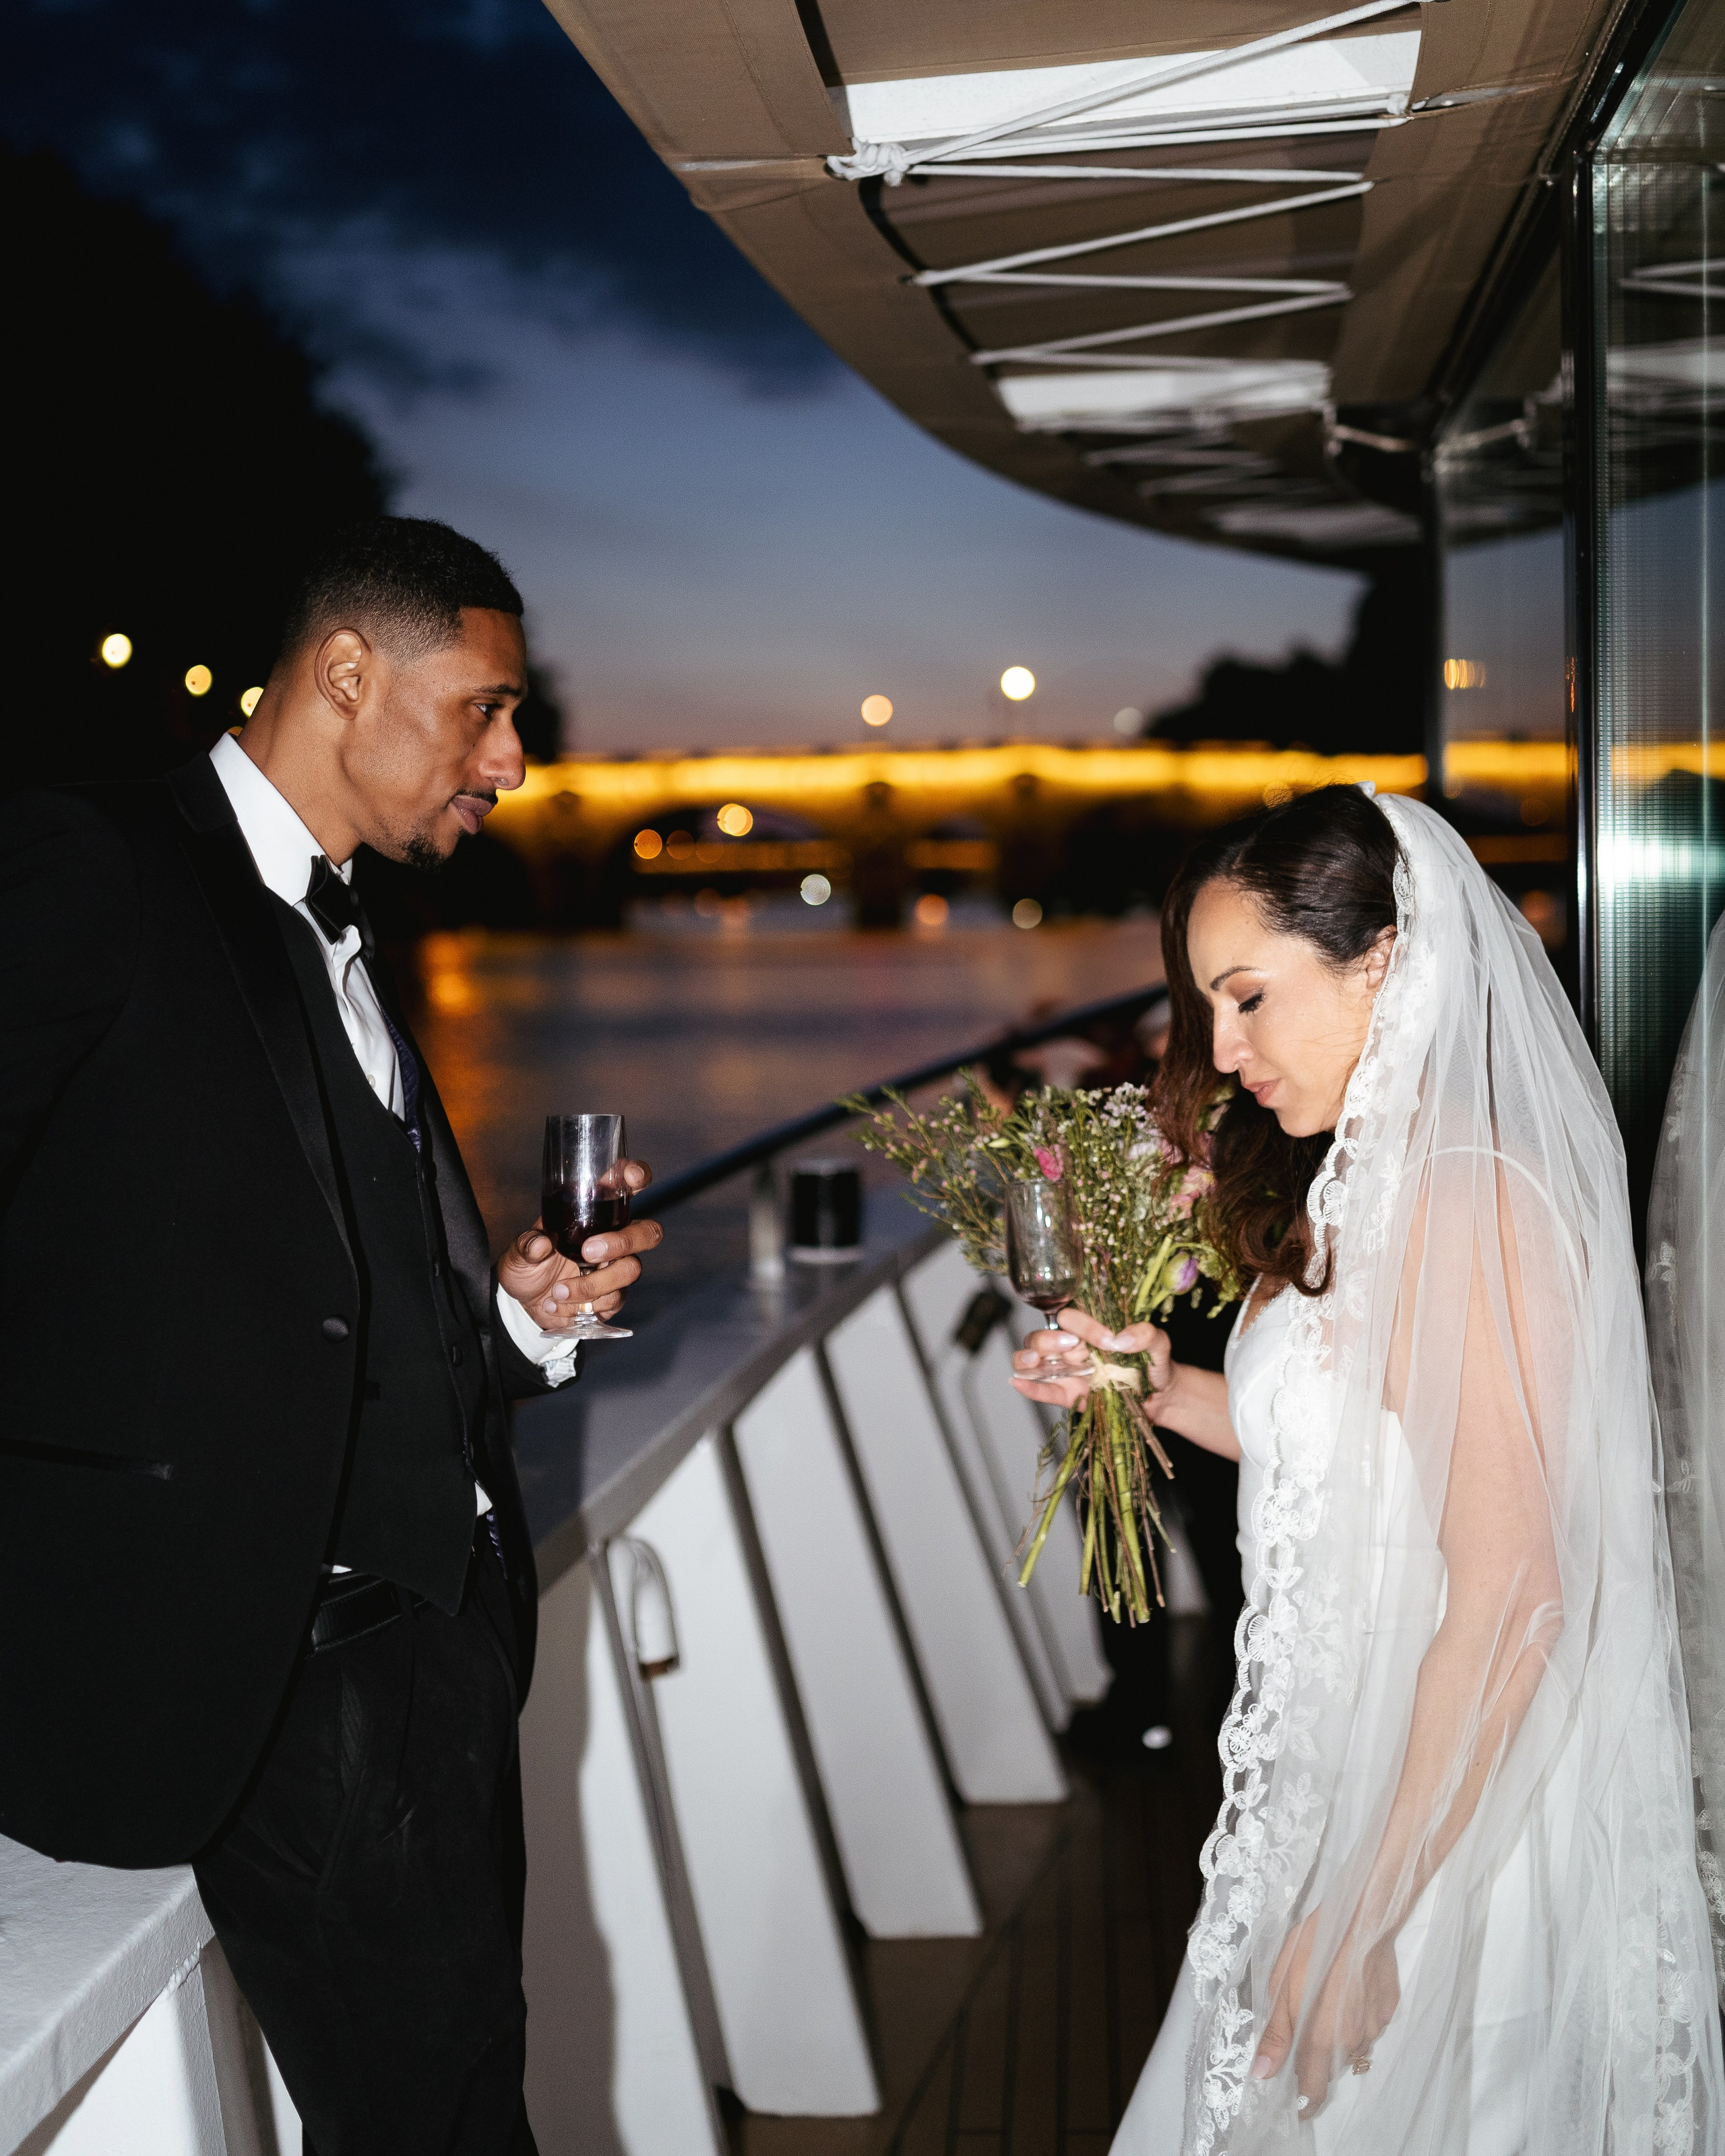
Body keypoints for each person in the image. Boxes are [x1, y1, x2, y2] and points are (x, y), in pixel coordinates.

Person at [0, 517, 662, 2154]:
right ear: (346, 674)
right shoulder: (95, 866)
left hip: (432, 1657)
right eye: (486, 711)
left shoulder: (346, 919)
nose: (514, 760)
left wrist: (511, 1318)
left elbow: (326, 1299)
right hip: (252, 1675)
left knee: (456, 2093)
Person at [1012, 786, 1724, 2152]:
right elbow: (1351, 1449)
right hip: (1348, 1772)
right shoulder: (1378, 1174)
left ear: (1381, 961)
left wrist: (1366, 1905)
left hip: (1450, 1811)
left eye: (1247, 997)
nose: (1220, 1050)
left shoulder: (1466, 1189)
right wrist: (1159, 1386)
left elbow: (1517, 1586)